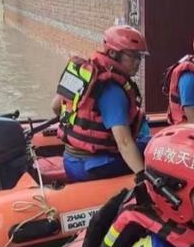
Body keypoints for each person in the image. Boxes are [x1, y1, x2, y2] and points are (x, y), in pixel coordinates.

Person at [52, 25, 150, 182]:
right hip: (90, 167)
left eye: (140, 56)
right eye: (132, 56)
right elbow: (124, 142)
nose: (138, 62)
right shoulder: (113, 90)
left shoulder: (86, 73)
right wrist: (143, 178)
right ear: (113, 53)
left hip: (69, 159)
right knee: (150, 148)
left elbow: (56, 107)